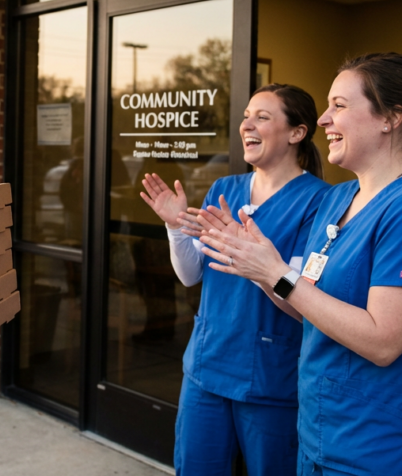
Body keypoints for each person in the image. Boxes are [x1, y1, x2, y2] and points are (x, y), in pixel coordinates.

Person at [198, 53, 402, 476]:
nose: (323, 119)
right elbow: (305, 304)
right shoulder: (337, 199)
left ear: (390, 118)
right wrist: (256, 266)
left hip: (383, 449)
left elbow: (383, 342)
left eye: (339, 106)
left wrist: (276, 273)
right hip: (320, 436)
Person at [140, 84, 329, 475]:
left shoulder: (319, 203)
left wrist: (254, 264)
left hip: (270, 378)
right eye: (246, 116)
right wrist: (175, 227)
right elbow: (192, 275)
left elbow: (305, 304)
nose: (248, 125)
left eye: (262, 117)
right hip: (207, 366)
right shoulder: (224, 189)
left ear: (297, 133)